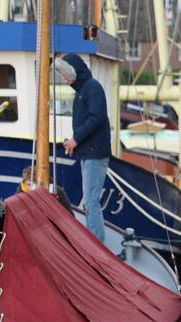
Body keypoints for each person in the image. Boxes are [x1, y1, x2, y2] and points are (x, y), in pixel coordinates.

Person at [54, 54, 110, 242]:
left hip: (95, 154)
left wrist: (75, 139)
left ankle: (97, 246)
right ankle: (95, 242)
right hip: (88, 153)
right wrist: (74, 143)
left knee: (90, 202)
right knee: (89, 201)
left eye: (65, 74)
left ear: (74, 72)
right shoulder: (82, 91)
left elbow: (96, 118)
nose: (63, 79)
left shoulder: (92, 88)